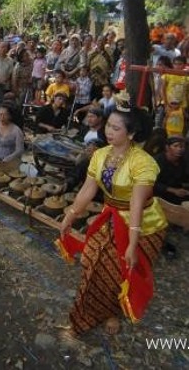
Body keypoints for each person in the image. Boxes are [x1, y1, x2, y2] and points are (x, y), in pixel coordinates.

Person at [58, 99, 167, 336]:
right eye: (108, 125)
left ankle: (113, 311)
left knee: (119, 269)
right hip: (111, 217)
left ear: (132, 133)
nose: (108, 131)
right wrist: (70, 215)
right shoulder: (100, 154)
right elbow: (88, 189)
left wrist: (133, 244)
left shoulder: (143, 162)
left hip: (142, 225)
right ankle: (89, 311)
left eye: (116, 128)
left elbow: (137, 203)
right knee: (93, 261)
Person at [154, 135, 189, 205]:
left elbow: (185, 178)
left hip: (177, 192)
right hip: (158, 194)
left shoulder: (183, 161)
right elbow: (151, 183)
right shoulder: (157, 161)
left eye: (182, 147)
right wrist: (173, 190)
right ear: (167, 147)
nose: (179, 149)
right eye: (175, 146)